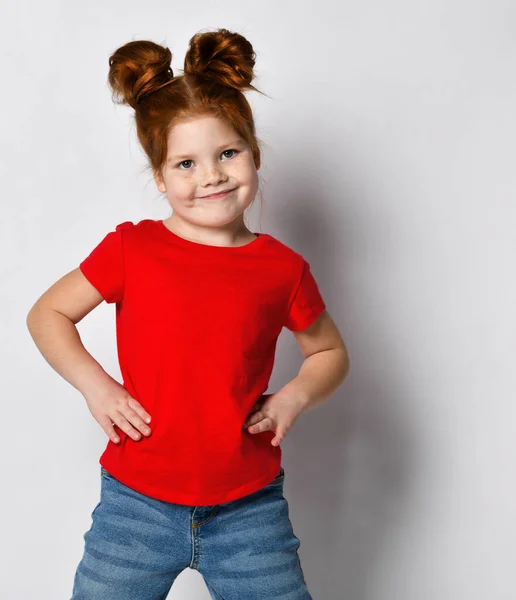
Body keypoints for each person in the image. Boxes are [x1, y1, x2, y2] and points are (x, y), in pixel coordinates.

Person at [26, 28, 350, 600]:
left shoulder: (281, 267)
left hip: (249, 509)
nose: (212, 176)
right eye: (185, 163)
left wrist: (294, 396)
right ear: (159, 175)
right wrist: (97, 388)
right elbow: (48, 313)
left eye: (228, 153)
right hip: (136, 505)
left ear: (254, 152)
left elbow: (328, 352)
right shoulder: (133, 250)